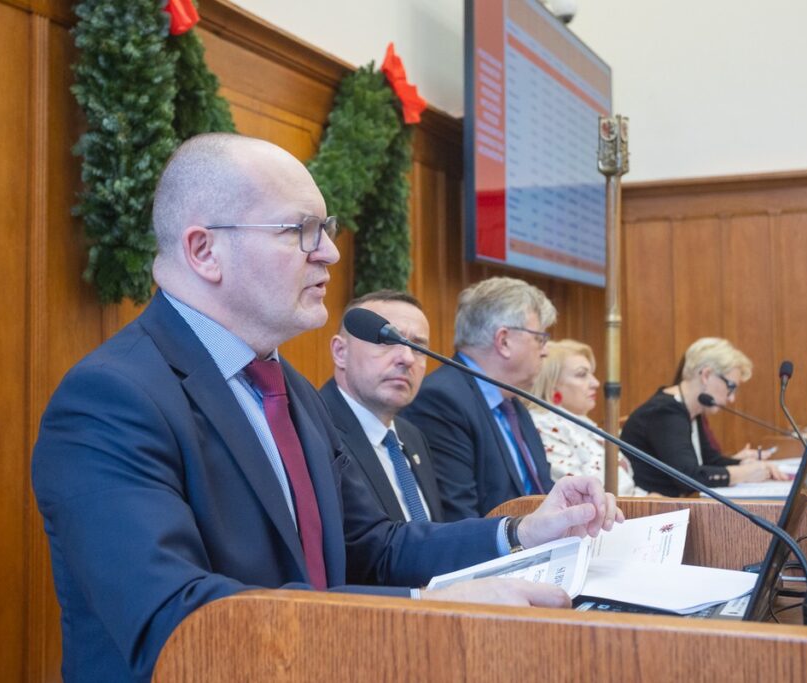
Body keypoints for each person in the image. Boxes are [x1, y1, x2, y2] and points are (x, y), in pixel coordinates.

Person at [30, 134, 621, 682]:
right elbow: (177, 620)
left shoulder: (287, 386)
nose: (331, 254)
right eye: (301, 230)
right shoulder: (111, 399)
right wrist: (428, 609)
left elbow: (375, 549)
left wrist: (521, 532)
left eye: (327, 228)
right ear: (205, 250)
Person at [403, 277, 556, 520]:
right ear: (503, 341)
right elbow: (460, 517)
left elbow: (544, 491)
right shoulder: (441, 401)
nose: (545, 350)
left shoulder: (514, 406)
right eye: (539, 338)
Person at [321, 290, 445, 530]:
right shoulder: (316, 428)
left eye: (418, 346)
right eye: (388, 341)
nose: (407, 358)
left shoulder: (411, 436)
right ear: (340, 353)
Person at [620, 337, 785, 496]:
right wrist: (742, 473)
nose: (732, 398)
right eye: (731, 387)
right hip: (651, 511)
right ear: (706, 375)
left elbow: (710, 461)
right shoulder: (664, 412)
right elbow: (688, 477)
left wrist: (747, 465)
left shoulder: (692, 409)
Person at [530, 340, 647, 496]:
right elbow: (580, 490)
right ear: (551, 383)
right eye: (582, 374)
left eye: (591, 374)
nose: (596, 383)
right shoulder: (541, 424)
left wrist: (650, 498)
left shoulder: (584, 421)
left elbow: (625, 483)